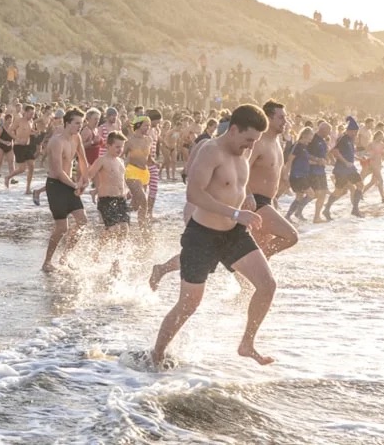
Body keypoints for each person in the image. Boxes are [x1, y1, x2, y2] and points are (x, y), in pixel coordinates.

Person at [151, 104, 275, 368]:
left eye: (255, 141)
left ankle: (247, 343)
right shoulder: (210, 151)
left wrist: (248, 195)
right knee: (188, 305)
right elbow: (194, 194)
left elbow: (238, 181)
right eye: (247, 139)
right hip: (202, 237)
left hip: (234, 234)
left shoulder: (246, 149)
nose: (250, 146)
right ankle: (156, 354)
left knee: (267, 285)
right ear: (233, 130)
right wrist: (234, 213)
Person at [246, 100, 298, 256]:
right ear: (268, 119)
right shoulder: (258, 142)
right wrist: (247, 195)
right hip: (254, 201)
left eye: (286, 117)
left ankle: (250, 272)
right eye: (281, 118)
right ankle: (254, 263)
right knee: (291, 236)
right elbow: (241, 170)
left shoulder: (276, 142)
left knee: (259, 248)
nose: (285, 122)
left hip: (267, 202)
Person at [41, 108, 89, 273]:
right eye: (77, 123)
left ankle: (65, 257)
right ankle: (47, 261)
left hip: (69, 184)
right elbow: (58, 171)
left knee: (82, 221)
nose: (79, 127)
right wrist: (75, 185)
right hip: (56, 185)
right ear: (67, 123)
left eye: (81, 124)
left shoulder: (77, 138)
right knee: (62, 228)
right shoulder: (57, 141)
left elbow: (83, 160)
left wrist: (85, 180)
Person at [85, 130, 129, 272]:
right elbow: (90, 174)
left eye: (122, 147)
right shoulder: (102, 160)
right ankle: (97, 251)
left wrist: (127, 192)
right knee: (113, 229)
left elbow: (121, 180)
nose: (120, 150)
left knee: (124, 229)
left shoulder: (121, 161)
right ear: (108, 146)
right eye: (117, 147)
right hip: (106, 200)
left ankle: (116, 261)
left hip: (121, 199)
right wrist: (81, 186)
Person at [323, 116, 366, 219]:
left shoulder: (351, 140)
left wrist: (358, 158)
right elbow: (334, 151)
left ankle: (355, 209)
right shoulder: (343, 138)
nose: (355, 134)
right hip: (341, 169)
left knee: (360, 185)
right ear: (348, 130)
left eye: (356, 131)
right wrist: (346, 162)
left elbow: (348, 153)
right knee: (339, 191)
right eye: (353, 131)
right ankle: (326, 209)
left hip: (350, 169)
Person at [123, 115, 154, 228]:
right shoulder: (129, 141)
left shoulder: (149, 139)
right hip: (132, 171)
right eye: (146, 125)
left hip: (144, 173)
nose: (148, 128)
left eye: (149, 126)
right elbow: (119, 155)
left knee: (136, 205)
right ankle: (143, 229)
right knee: (144, 201)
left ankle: (121, 211)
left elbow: (148, 156)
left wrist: (153, 161)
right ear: (139, 125)